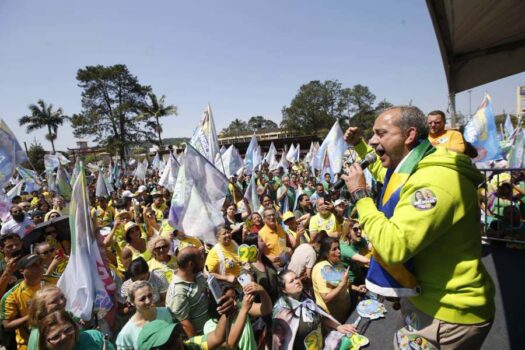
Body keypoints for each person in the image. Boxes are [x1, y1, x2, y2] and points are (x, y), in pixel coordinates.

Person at [343, 105, 495, 349]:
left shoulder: (434, 180)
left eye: (380, 134)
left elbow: (393, 247)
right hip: (424, 300)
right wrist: (361, 145)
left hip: (449, 312)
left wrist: (360, 195)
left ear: (410, 135)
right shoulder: (415, 165)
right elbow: (386, 172)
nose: (372, 140)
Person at [272, 270, 356, 350]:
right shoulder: (282, 313)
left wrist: (338, 326)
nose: (296, 281)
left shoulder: (305, 298)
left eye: (297, 278)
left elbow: (321, 315)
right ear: (284, 289)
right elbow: (277, 343)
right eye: (291, 281)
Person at [1, 254, 57, 349]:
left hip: (58, 337)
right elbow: (7, 324)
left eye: (40, 263)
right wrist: (32, 315)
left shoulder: (55, 281)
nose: (39, 267)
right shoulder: (12, 295)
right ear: (22, 270)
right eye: (33, 265)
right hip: (30, 344)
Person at [116, 281, 174, 349]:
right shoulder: (126, 334)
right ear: (132, 302)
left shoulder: (165, 313)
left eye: (150, 295)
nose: (148, 301)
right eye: (142, 299)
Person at [165, 247, 209, 336]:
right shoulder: (178, 292)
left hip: (211, 329)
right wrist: (198, 344)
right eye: (201, 258)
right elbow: (185, 324)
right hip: (203, 339)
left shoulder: (197, 275)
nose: (203, 260)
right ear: (191, 264)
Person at [311, 238, 354, 324]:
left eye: (338, 248)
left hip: (344, 314)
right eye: (334, 249)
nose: (338, 251)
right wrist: (342, 284)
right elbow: (326, 297)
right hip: (333, 321)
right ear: (326, 253)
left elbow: (342, 284)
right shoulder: (322, 269)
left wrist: (356, 288)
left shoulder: (338, 263)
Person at [38, 310, 113, 350]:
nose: (64, 336)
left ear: (75, 327)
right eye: (55, 337)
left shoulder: (94, 338)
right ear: (45, 343)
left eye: (67, 330)